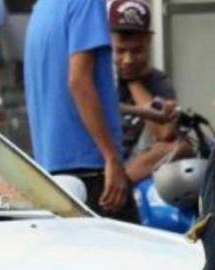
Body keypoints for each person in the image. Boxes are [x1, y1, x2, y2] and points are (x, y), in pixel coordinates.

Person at [25, 0, 139, 222]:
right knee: (137, 253)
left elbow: (60, 92)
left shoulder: (42, 8)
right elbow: (79, 82)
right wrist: (111, 157)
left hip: (51, 169)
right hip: (91, 168)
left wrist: (145, 112)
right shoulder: (86, 3)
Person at [108, 0, 186, 184]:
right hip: (100, 161)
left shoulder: (158, 81)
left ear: (149, 42)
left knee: (179, 146)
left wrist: (134, 82)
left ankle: (120, 185)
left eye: (136, 51)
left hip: (133, 168)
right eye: (120, 51)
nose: (128, 60)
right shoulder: (99, 79)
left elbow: (164, 133)